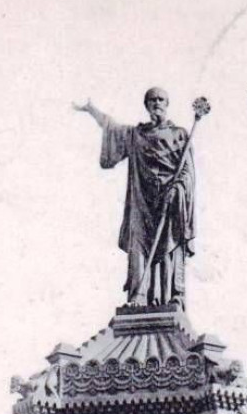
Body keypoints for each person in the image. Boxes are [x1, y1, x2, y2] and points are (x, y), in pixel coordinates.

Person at [73, 88, 195, 308]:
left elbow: (187, 170)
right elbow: (111, 128)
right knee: (138, 242)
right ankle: (138, 296)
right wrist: (91, 109)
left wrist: (177, 189)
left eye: (160, 99)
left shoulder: (179, 134)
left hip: (170, 200)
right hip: (141, 200)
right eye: (152, 100)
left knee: (169, 244)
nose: (156, 103)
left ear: (167, 103)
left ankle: (172, 296)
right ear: (146, 105)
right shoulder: (136, 135)